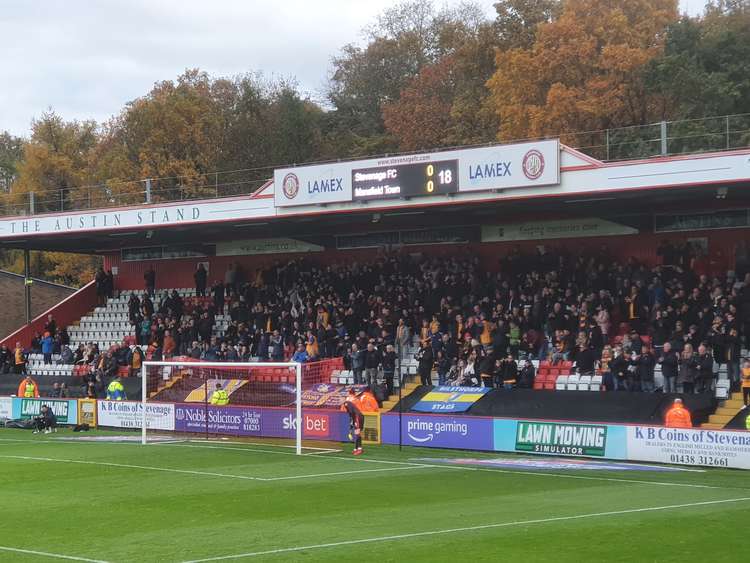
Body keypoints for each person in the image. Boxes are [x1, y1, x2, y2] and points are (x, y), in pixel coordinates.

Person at [341, 389, 364, 455]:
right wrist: (351, 426)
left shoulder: (346, 403)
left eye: (341, 399)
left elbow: (351, 412)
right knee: (358, 432)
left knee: (357, 433)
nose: (340, 400)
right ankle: (357, 448)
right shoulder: (348, 403)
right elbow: (351, 413)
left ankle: (358, 449)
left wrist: (352, 421)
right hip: (359, 416)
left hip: (357, 417)